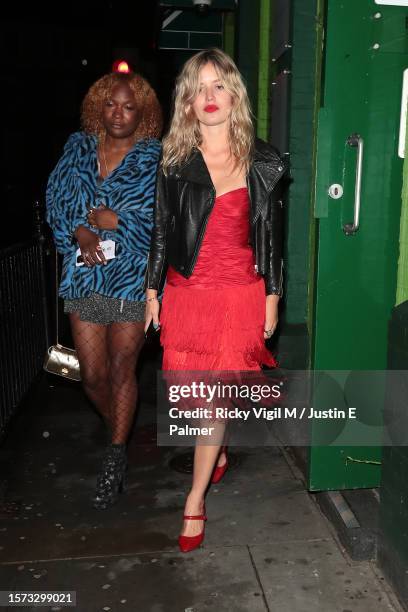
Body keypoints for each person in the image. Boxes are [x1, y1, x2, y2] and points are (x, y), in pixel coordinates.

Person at [145, 48, 288, 551]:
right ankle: (218, 451)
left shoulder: (263, 161)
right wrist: (151, 290)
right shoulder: (174, 162)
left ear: (235, 96)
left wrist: (273, 294)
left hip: (239, 295)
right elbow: (161, 232)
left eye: (219, 85)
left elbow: (271, 237)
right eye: (199, 87)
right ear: (187, 100)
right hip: (189, 293)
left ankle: (194, 501)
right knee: (196, 396)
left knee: (211, 403)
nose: (210, 96)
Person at [46, 71, 162, 509]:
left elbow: (162, 224)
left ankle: (114, 458)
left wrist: (120, 224)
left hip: (132, 277)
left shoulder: (154, 159)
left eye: (129, 106)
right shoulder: (77, 150)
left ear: (143, 113)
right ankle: (120, 428)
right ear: (99, 105)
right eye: (111, 104)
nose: (119, 113)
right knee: (91, 375)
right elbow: (56, 200)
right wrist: (79, 230)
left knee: (120, 367)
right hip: (85, 275)